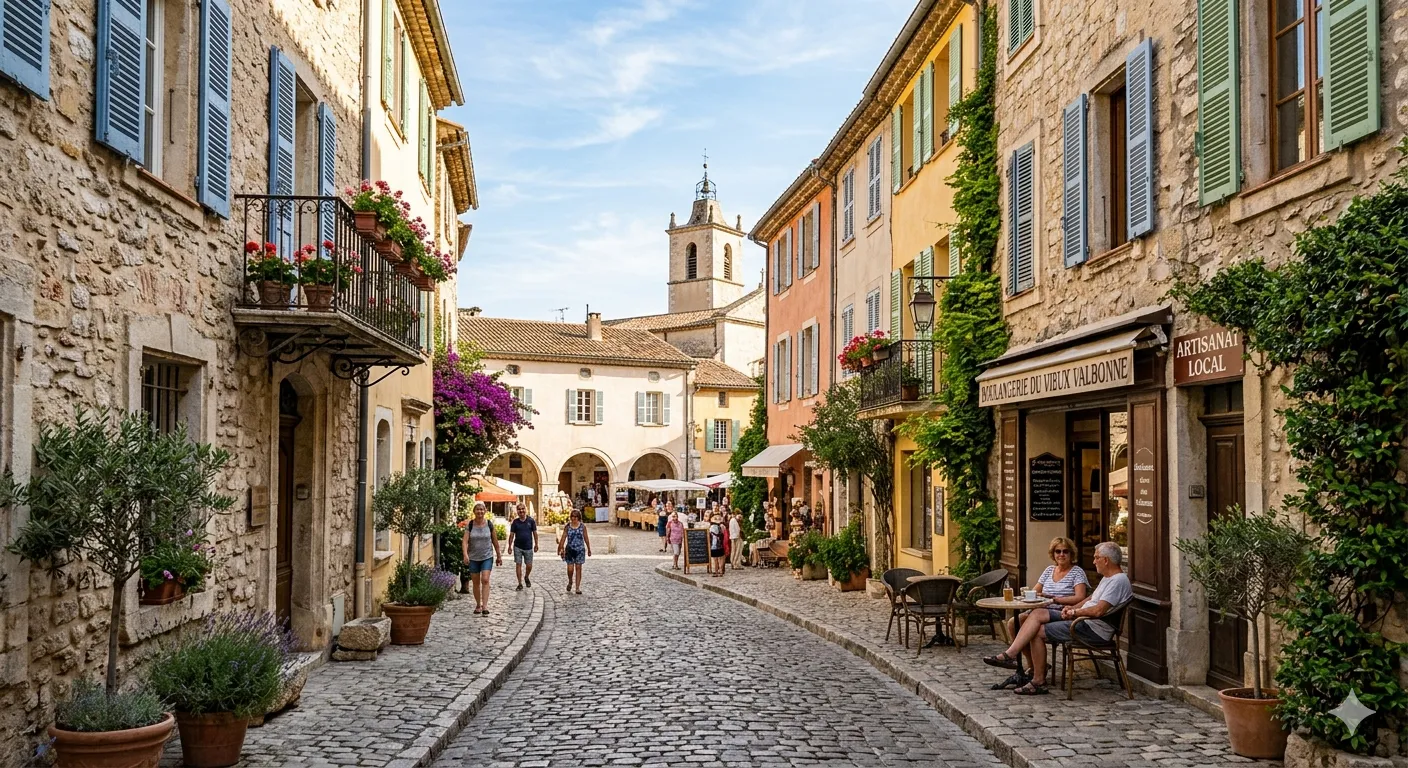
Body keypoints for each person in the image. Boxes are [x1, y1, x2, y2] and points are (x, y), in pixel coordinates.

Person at [983, 541, 1132, 695]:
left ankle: (1037, 679)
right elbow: (1090, 599)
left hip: (1092, 628)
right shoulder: (1108, 578)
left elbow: (1098, 611)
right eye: (1057, 551)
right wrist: (1073, 608)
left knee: (1037, 631)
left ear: (1106, 560)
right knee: (1035, 614)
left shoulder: (1117, 581)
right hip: (1083, 620)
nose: (1093, 561)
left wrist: (1074, 612)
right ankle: (1013, 656)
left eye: (1096, 558)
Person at [992, 537, 1090, 688]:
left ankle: (1012, 655)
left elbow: (1080, 597)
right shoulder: (1049, 570)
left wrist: (1055, 599)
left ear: (1071, 554)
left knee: (1034, 621)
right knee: (1014, 623)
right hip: (1042, 611)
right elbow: (1035, 591)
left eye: (1065, 551)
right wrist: (1028, 595)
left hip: (1062, 613)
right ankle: (1034, 667)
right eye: (1058, 551)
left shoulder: (1077, 572)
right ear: (1053, 553)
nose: (1061, 555)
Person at [460, 502, 503, 616]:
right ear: (474, 511)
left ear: (485, 511)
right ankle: (478, 604)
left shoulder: (489, 524)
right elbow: (464, 541)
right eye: (477, 509)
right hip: (473, 558)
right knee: (475, 582)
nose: (480, 511)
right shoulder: (470, 525)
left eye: (482, 509)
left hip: (486, 556)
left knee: (485, 579)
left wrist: (499, 555)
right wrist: (465, 554)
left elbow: (495, 541)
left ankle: (485, 606)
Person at [558, 508, 592, 594]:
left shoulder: (582, 527)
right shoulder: (567, 527)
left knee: (578, 568)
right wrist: (560, 548)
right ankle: (570, 581)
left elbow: (586, 538)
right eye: (572, 516)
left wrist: (589, 549)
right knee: (570, 569)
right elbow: (563, 537)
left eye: (576, 517)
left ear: (579, 518)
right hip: (570, 550)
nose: (574, 518)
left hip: (580, 550)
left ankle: (577, 588)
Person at [508, 502, 539, 591]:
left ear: (526, 510)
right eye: (519, 509)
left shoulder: (531, 521)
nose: (521, 511)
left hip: (528, 547)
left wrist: (536, 544)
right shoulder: (515, 522)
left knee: (529, 565)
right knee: (518, 564)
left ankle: (526, 576)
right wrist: (509, 546)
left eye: (523, 509)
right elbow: (511, 535)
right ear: (517, 511)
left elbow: (535, 533)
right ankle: (520, 583)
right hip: (517, 546)